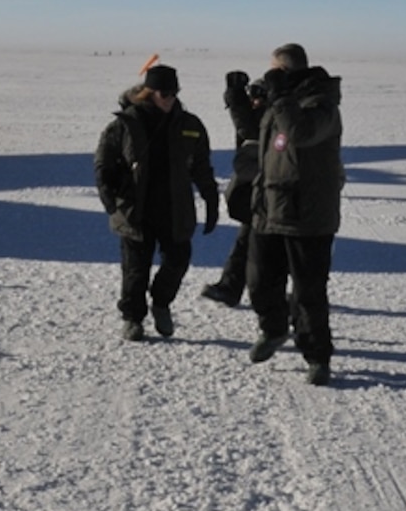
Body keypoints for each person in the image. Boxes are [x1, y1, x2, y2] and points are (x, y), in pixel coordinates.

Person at [93, 63, 219, 341]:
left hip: (175, 208)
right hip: (135, 208)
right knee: (135, 270)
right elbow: (103, 163)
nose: (170, 98)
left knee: (178, 260)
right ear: (149, 92)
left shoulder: (190, 125)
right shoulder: (125, 124)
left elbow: (202, 167)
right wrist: (109, 198)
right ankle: (133, 318)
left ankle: (161, 303)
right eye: (164, 93)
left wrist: (211, 200)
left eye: (174, 93)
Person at [245, 43, 344, 385]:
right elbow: (263, 144)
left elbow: (299, 134)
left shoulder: (322, 103)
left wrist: (281, 97)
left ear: (286, 72)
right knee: (259, 282)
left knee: (308, 292)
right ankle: (273, 329)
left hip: (308, 215)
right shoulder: (281, 104)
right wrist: (241, 102)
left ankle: (317, 356)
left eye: (273, 71)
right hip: (270, 208)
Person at [199, 60, 275, 307]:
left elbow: (249, 131)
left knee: (263, 245)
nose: (254, 101)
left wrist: (235, 98)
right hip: (260, 190)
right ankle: (230, 287)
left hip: (270, 192)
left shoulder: (273, 118)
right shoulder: (268, 115)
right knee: (247, 241)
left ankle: (299, 294)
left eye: (258, 96)